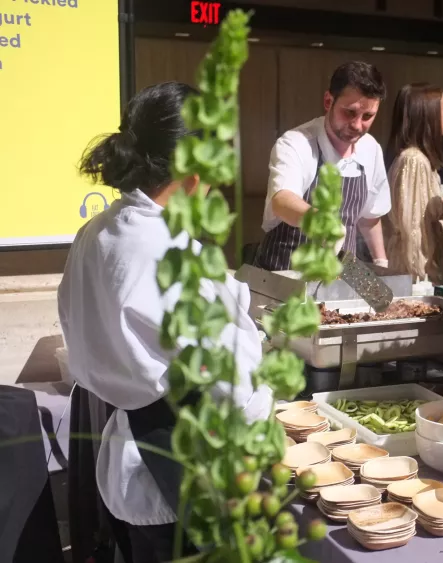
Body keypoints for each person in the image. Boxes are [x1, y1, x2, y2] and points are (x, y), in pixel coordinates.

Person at [58, 82, 273, 561]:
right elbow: (236, 385)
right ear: (194, 175)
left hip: (124, 457)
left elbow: (75, 326)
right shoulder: (177, 257)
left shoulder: (93, 232)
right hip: (177, 469)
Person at [255, 61, 390, 271]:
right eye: (350, 112)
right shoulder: (296, 143)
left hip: (343, 281)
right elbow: (282, 201)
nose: (357, 125)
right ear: (328, 101)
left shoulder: (371, 149)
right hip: (287, 275)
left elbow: (369, 218)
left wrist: (382, 264)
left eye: (367, 117)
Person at [384, 82, 443, 284]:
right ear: (428, 114)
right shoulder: (414, 160)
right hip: (416, 275)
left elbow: (419, 214)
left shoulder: (421, 160)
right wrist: (420, 280)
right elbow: (412, 228)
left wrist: (440, 207)